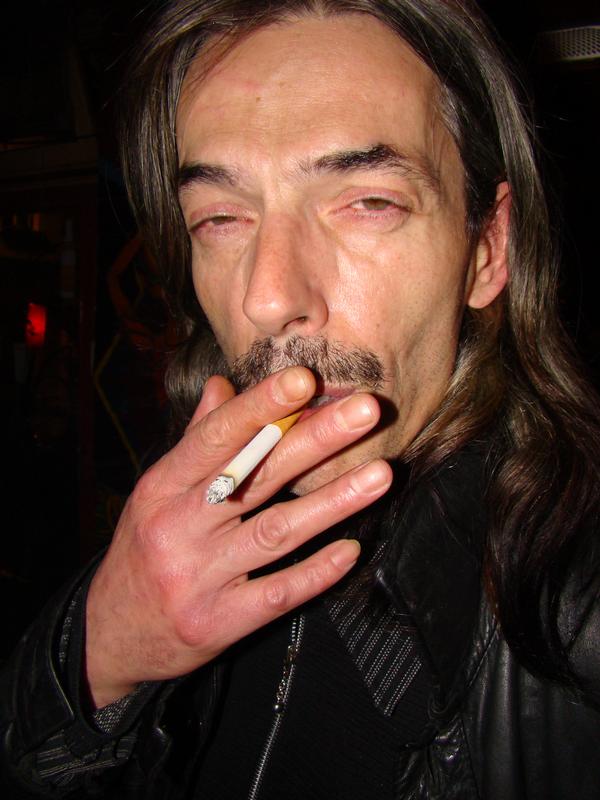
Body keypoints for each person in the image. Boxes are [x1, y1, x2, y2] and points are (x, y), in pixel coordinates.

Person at [2, 1, 600, 798]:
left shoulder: (574, 614)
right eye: (221, 217)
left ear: (488, 249)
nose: (269, 297)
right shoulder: (191, 502)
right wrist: (99, 652)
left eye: (369, 202)